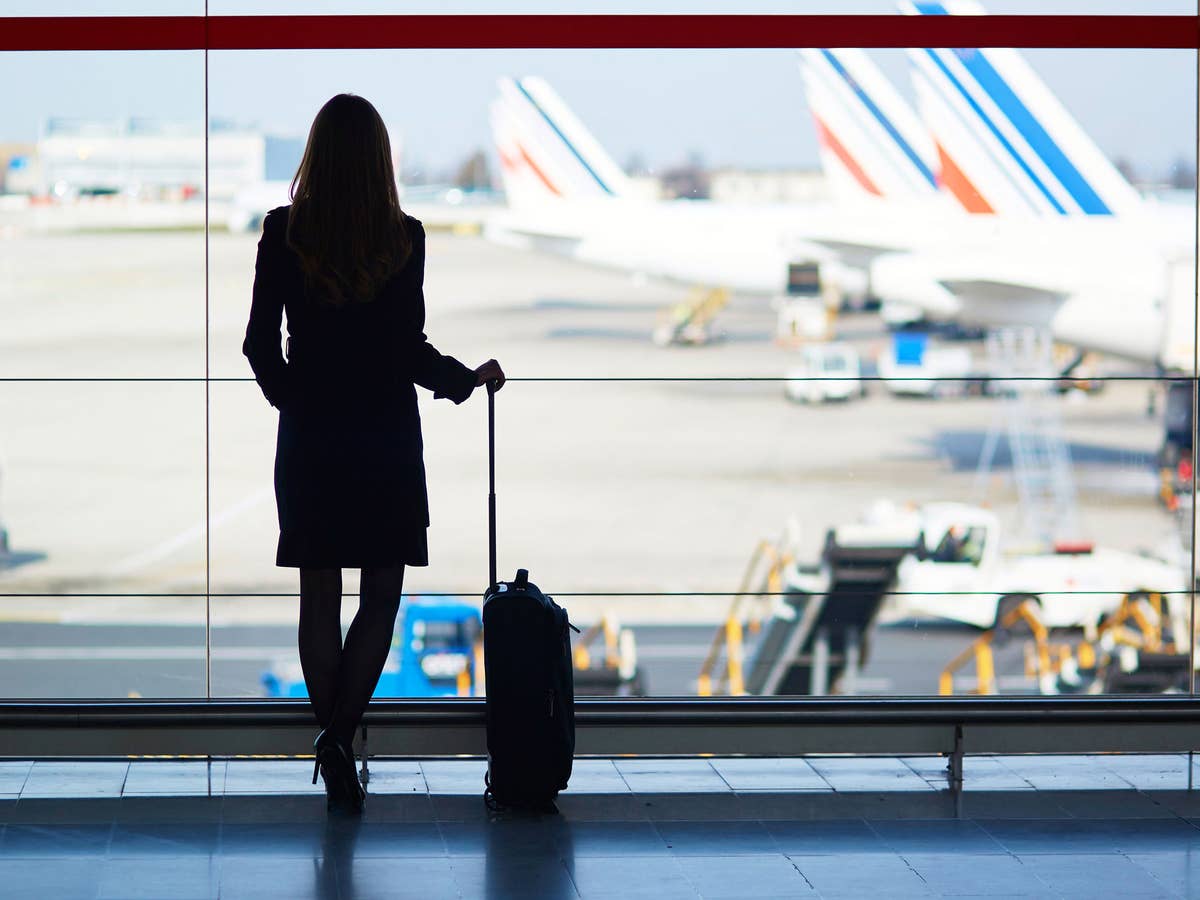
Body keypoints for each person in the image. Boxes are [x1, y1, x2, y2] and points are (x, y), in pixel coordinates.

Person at [243, 93, 504, 814]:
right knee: (380, 594)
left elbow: (259, 345)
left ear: (317, 155)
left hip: (312, 440)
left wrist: (294, 401)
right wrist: (463, 380)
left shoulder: (283, 232)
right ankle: (338, 740)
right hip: (384, 438)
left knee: (318, 594)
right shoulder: (404, 236)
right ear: (379, 159)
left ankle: (334, 747)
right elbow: (405, 349)